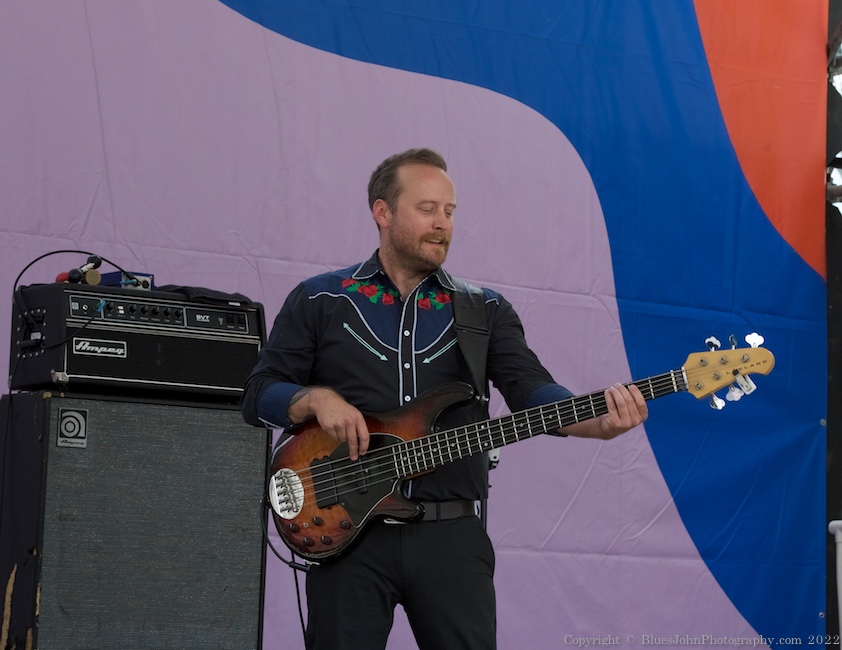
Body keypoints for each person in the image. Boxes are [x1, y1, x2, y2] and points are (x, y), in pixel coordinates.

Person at [241, 147, 648, 650]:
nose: (442, 224)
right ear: (383, 212)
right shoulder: (321, 299)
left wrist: (598, 423)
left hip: (450, 536)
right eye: (427, 209)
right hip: (347, 533)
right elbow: (258, 394)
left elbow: (532, 392)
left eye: (450, 212)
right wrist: (315, 400)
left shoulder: (484, 309)